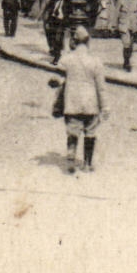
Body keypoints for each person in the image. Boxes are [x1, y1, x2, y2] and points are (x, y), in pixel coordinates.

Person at [59, 27, 106, 174]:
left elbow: (59, 78)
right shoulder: (96, 61)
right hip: (90, 103)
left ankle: (71, 156)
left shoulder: (67, 59)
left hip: (72, 101)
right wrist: (105, 106)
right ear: (88, 42)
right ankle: (87, 164)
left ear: (74, 41)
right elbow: (101, 88)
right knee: (90, 132)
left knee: (73, 130)